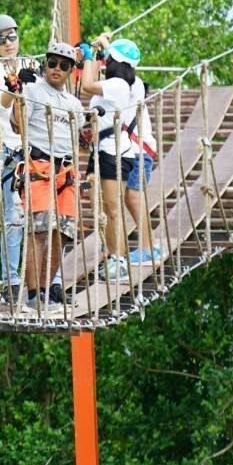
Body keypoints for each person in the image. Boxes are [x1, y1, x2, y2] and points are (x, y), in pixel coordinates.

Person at [11, 41, 85, 313]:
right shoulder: (32, 90)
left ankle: (45, 291)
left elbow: (84, 139)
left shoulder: (74, 104)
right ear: (46, 64)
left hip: (66, 172)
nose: (56, 69)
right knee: (38, 230)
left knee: (62, 232)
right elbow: (17, 125)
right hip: (39, 166)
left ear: (69, 71)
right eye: (52, 63)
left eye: (63, 66)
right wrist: (18, 92)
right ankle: (33, 295)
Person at [78, 36, 159, 281]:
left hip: (116, 151)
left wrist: (90, 57)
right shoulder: (115, 84)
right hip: (102, 149)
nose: (105, 62)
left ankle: (119, 260)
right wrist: (100, 50)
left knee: (113, 209)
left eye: (108, 59)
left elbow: (86, 85)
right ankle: (112, 254)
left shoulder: (120, 86)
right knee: (102, 207)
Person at [0, 11, 36, 307]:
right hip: (12, 152)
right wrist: (13, 87)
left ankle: (45, 285)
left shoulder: (34, 64)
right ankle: (12, 284)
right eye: (1, 40)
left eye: (12, 36)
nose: (9, 43)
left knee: (43, 217)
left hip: (39, 149)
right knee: (13, 219)